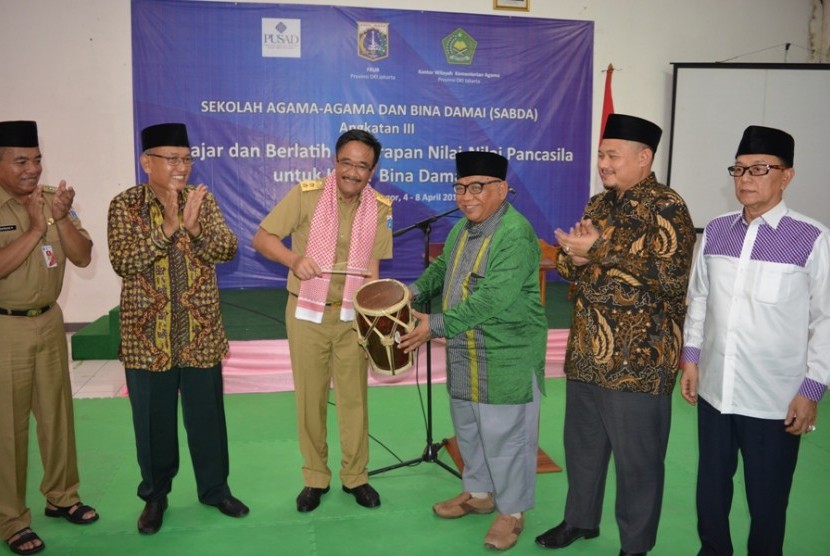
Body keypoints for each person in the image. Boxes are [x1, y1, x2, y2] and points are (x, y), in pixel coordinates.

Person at [535, 114, 696, 556]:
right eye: (601, 155)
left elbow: (670, 277)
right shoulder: (598, 204)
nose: (603, 164)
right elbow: (573, 269)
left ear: (644, 159)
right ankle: (580, 520)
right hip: (588, 352)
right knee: (583, 448)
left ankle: (635, 545)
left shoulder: (667, 206)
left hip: (638, 361)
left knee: (637, 463)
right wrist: (575, 257)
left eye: (612, 156)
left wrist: (599, 251)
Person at [679, 125, 830, 556]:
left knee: (767, 504)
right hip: (715, 394)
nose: (746, 178)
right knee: (711, 493)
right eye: (739, 169)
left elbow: (826, 320)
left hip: (775, 399)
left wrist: (812, 388)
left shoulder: (812, 239)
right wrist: (691, 358)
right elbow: (700, 300)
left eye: (760, 169)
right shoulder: (716, 232)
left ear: (787, 175)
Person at [398, 151, 547, 551]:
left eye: (477, 187)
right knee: (469, 429)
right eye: (461, 187)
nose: (466, 196)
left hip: (506, 354)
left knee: (507, 437)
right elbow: (441, 269)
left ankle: (512, 512)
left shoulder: (515, 233)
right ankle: (480, 494)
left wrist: (433, 326)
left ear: (502, 189)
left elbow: (492, 300)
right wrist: (409, 293)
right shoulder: (464, 228)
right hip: (466, 351)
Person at [107, 122, 248, 535]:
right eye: (172, 159)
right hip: (146, 338)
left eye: (186, 159)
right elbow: (123, 261)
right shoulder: (125, 205)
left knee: (208, 419)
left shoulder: (202, 201)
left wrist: (195, 227)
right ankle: (155, 496)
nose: (181, 167)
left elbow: (228, 248)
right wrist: (168, 226)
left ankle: (215, 489)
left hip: (200, 332)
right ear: (146, 162)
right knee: (153, 424)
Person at [252, 129, 392, 513]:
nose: (353, 172)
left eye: (362, 166)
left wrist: (377, 318)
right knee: (310, 399)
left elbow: (374, 270)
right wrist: (294, 261)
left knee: (354, 401)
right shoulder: (306, 195)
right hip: (306, 314)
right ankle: (315, 477)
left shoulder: (380, 208)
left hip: (352, 318)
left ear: (372, 170)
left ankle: (355, 477)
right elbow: (262, 238)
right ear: (335, 161)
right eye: (346, 162)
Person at [0, 120, 97, 556]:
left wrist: (58, 218)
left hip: (49, 321)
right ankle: (11, 517)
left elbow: (82, 255)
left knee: (57, 415)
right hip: (6, 328)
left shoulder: (50, 201)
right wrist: (37, 230)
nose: (32, 169)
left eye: (37, 160)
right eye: (21, 161)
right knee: (8, 427)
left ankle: (62, 497)